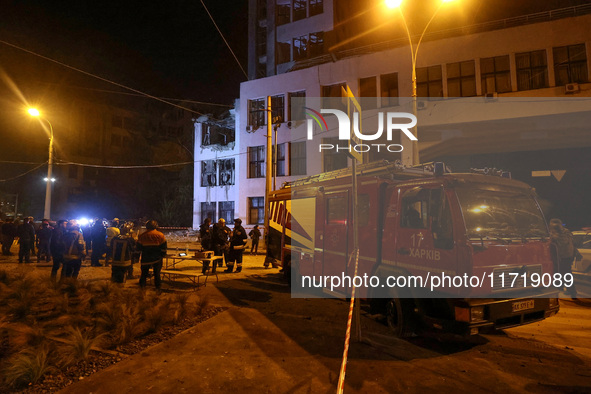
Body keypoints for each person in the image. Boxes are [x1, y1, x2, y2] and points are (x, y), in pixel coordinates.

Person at [549, 218, 577, 298]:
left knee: (560, 274)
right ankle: (570, 291)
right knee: (566, 274)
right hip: (568, 256)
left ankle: (565, 291)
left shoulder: (555, 235)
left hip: (561, 258)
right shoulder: (567, 232)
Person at [137, 220, 167, 290]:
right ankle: (158, 289)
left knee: (144, 275)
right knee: (157, 275)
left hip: (145, 258)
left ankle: (142, 289)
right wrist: (162, 255)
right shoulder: (160, 235)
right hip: (157, 259)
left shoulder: (142, 236)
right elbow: (164, 247)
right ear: (156, 226)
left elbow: (138, 248)